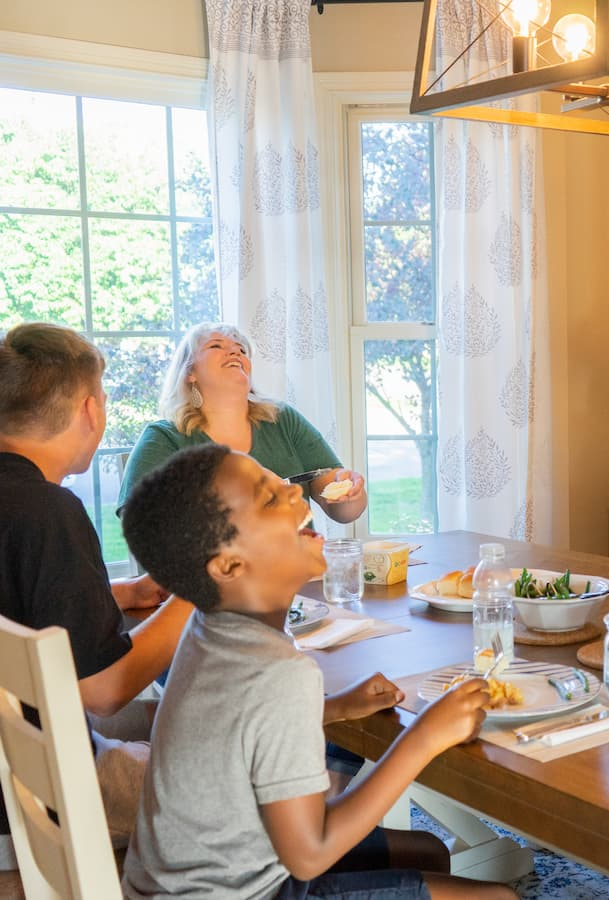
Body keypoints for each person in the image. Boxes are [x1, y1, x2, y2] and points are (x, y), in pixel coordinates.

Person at [119, 444, 515, 900]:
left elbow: (240, 728)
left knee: (426, 852)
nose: (291, 487)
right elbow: (309, 854)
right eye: (269, 498)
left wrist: (338, 707)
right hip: (247, 891)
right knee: (499, 897)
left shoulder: (208, 628)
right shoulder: (278, 671)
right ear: (228, 566)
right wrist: (423, 736)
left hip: (177, 885)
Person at [0, 322, 192, 843]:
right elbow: (104, 690)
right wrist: (199, 592)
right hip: (46, 782)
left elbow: (18, 597)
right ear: (90, 410)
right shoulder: (48, 512)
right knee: (264, 796)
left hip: (21, 752)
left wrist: (119, 595)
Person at [118, 323, 367, 524]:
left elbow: (344, 511)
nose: (235, 352)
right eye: (216, 345)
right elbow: (138, 518)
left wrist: (348, 494)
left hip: (296, 575)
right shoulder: (165, 437)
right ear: (189, 373)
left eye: (241, 349)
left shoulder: (282, 420)